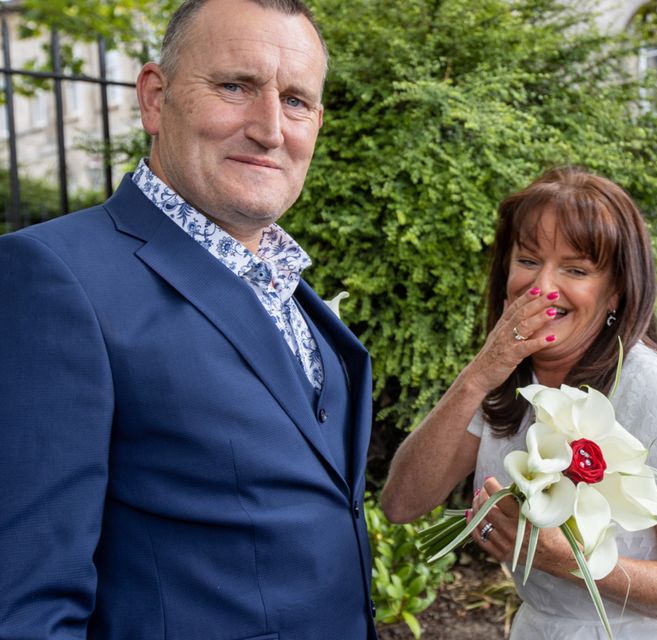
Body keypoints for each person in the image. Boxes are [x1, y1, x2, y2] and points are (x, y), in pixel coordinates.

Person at [0, 1, 376, 638]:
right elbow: (27, 603)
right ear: (154, 97)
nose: (270, 129)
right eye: (235, 86)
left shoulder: (285, 282)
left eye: (296, 101)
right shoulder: (54, 279)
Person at [381, 167, 657, 638]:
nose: (542, 287)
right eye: (529, 260)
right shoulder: (503, 379)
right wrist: (477, 375)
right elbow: (401, 504)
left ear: (615, 289)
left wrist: (572, 562)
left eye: (575, 270)